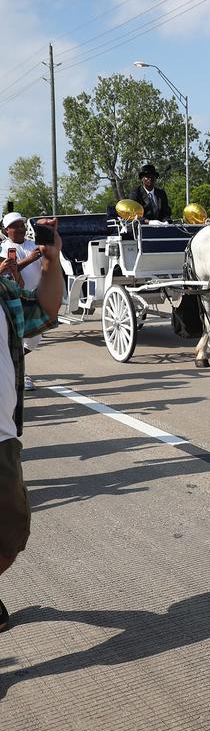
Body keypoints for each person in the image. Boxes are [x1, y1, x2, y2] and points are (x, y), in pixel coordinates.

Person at [1, 217, 63, 632]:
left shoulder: (4, 289)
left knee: (12, 531)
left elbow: (47, 310)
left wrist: (51, 262)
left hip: (2, 436)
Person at [1, 214, 43, 391]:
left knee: (33, 339)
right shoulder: (4, 249)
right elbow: (7, 271)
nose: (20, 228)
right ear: (6, 230)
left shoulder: (33, 246)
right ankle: (21, 372)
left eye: (21, 225)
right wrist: (29, 259)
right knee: (17, 338)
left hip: (34, 298)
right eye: (15, 226)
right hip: (13, 300)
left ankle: (13, 362)